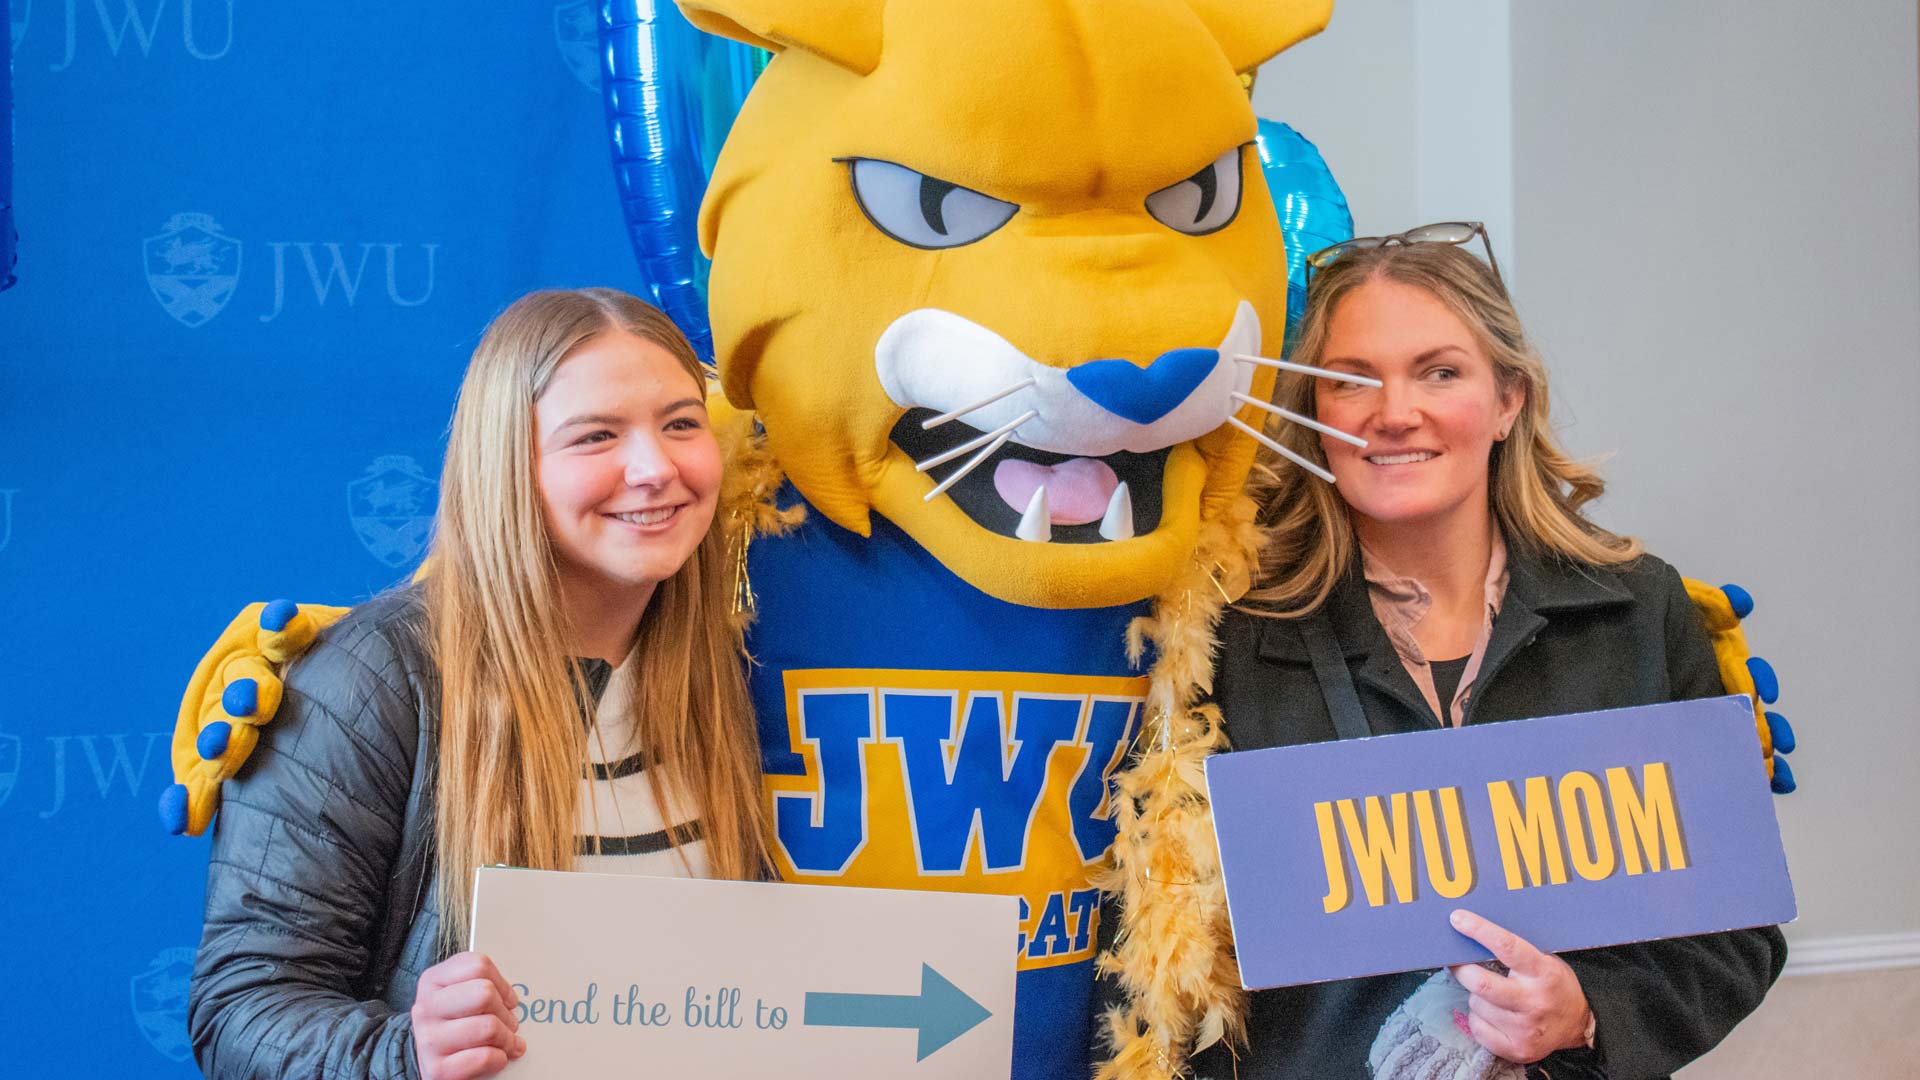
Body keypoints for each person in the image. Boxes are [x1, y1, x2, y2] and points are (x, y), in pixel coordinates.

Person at [1195, 228, 1785, 1079]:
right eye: (1351, 379)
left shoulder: (1639, 611)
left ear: (1509, 399)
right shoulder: (1224, 637)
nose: (1394, 411)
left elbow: (1734, 937)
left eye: (1440, 371)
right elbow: (1159, 954)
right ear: (1310, 413)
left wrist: (1586, 1010)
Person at [188, 288, 771, 1080]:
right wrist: (407, 1053)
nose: (654, 467)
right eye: (595, 435)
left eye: (680, 423)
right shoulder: (372, 680)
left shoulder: (718, 664)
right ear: (508, 466)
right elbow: (241, 1009)